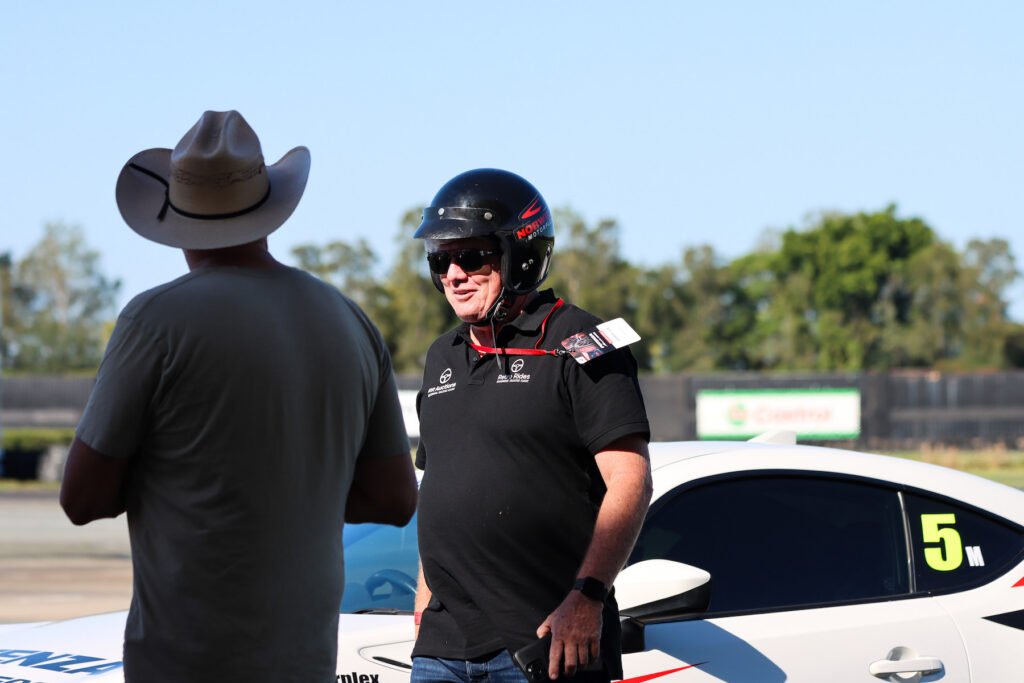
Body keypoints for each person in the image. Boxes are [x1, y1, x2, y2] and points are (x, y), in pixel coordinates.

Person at [59, 110, 417, 683]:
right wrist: (301, 496)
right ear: (267, 206)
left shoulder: (154, 320)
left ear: (175, 218)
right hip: (306, 662)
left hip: (186, 661)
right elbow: (396, 500)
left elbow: (82, 499)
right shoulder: (350, 322)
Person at [411, 168, 653, 682]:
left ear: (519, 255)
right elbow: (439, 492)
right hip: (442, 649)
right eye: (441, 259)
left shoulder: (580, 338)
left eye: (471, 257)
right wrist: (422, 604)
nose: (453, 274)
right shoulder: (441, 357)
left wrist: (588, 597)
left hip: (547, 642)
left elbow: (630, 481)